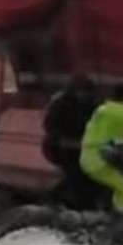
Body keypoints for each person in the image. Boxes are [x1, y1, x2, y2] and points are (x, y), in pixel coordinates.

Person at [80, 83, 123, 217]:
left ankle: (110, 213)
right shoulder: (121, 114)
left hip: (88, 155)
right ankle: (122, 218)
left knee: (119, 180)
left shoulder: (105, 108)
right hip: (99, 160)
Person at [42, 75, 98, 209]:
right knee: (76, 171)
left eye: (87, 94)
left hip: (81, 146)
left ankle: (80, 201)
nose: (85, 97)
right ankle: (58, 199)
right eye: (82, 93)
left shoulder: (92, 105)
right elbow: (49, 126)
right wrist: (63, 140)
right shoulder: (61, 103)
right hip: (58, 147)